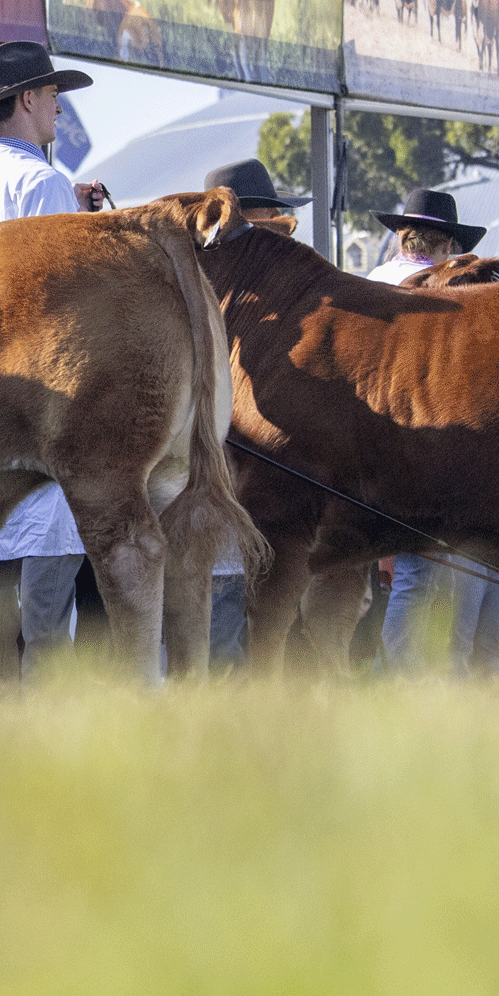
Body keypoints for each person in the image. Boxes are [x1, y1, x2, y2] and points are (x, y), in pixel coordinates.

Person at [0, 42, 100, 681]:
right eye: (49, 94)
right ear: (25, 101)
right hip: (46, 397)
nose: (58, 106)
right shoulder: (44, 181)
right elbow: (65, 297)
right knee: (50, 610)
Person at [361, 186, 499, 675]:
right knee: (481, 650)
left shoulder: (371, 286)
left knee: (417, 646)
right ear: (449, 244)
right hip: (483, 477)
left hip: (410, 475)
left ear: (400, 239)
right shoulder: (475, 288)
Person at [197, 161, 311, 668]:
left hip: (233, 483)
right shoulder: (226, 290)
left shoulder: (205, 281)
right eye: (268, 221)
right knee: (225, 619)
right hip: (226, 479)